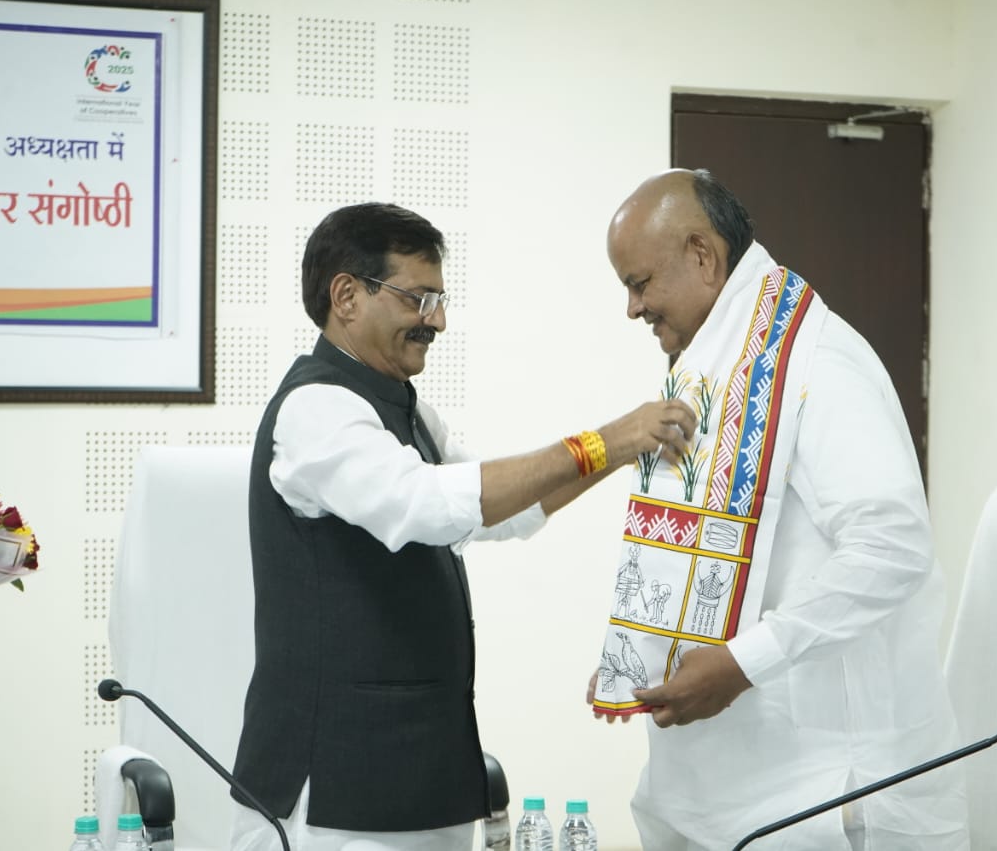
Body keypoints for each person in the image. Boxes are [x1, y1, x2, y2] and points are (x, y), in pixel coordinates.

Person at [229, 202, 696, 851]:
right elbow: (427, 504)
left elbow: (491, 512)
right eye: (419, 298)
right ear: (346, 296)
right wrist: (605, 439)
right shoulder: (317, 408)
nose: (438, 320)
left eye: (441, 299)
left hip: (419, 784)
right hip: (336, 796)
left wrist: (621, 451)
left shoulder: (402, 409)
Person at [587, 170, 969, 850]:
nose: (632, 308)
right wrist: (641, 651)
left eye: (639, 282)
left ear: (703, 256)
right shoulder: (712, 364)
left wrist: (744, 661)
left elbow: (893, 547)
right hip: (711, 789)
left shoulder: (818, 364)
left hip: (816, 793)